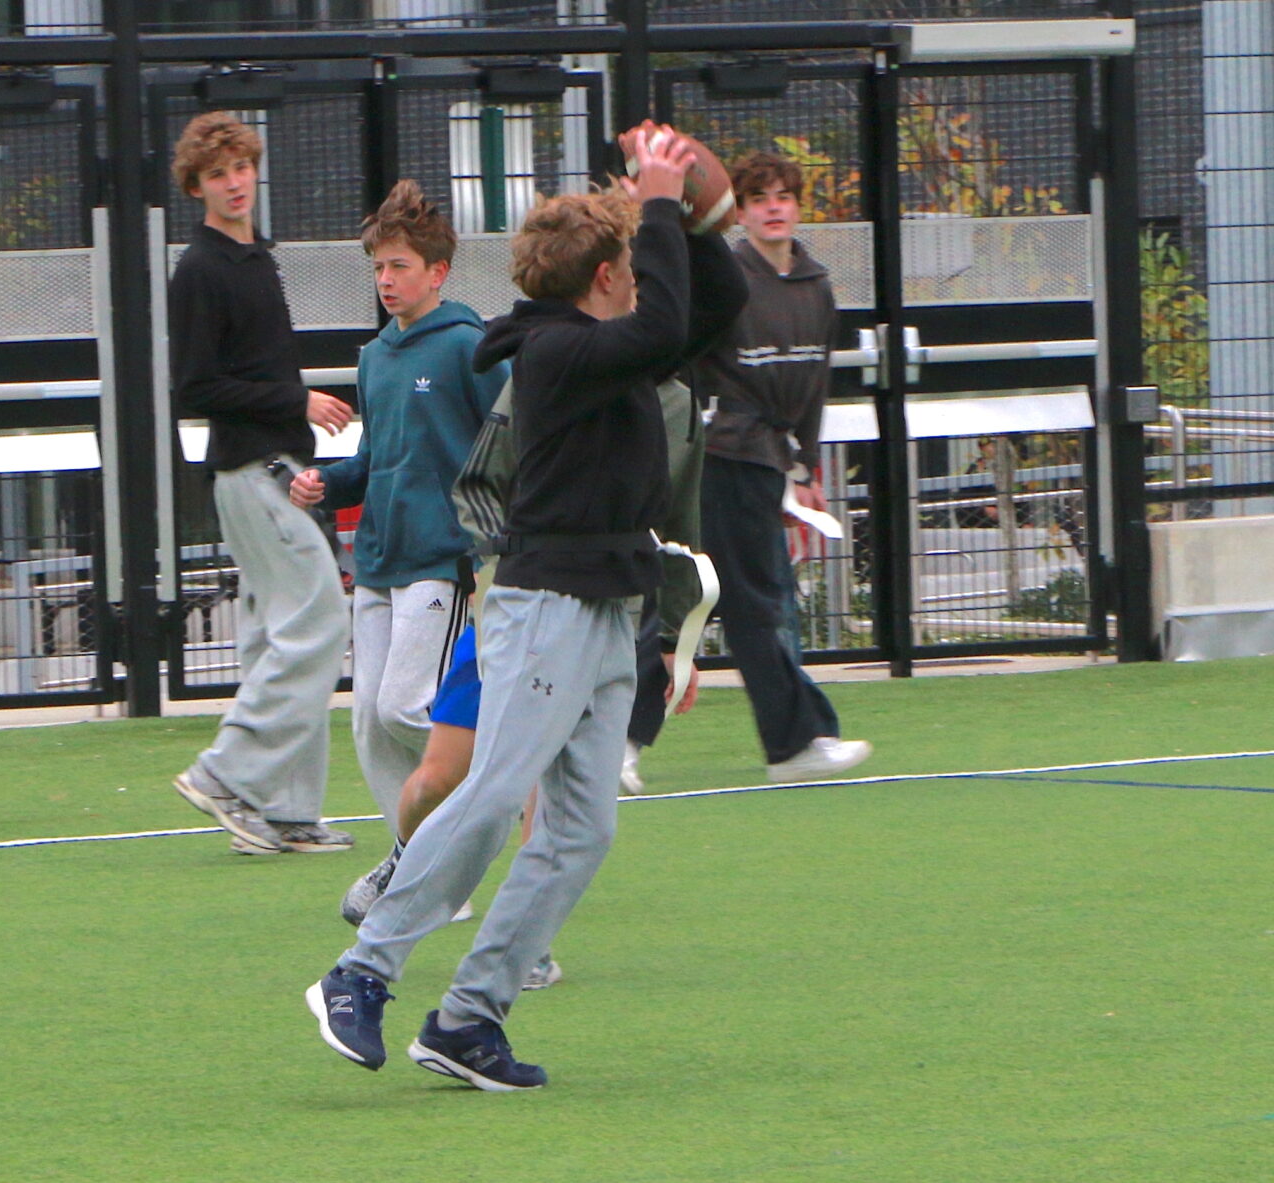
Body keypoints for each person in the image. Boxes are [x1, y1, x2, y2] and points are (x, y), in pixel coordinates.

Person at [310, 127, 746, 1090]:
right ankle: (361, 968)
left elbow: (713, 307)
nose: (641, 280)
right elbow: (667, 325)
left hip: (605, 612)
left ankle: (468, 1018)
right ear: (600, 279)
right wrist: (664, 200)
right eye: (628, 266)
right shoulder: (555, 353)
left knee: (582, 829)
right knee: (496, 791)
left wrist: (699, 225)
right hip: (542, 606)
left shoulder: (609, 348)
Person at [162, 110, 355, 857]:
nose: (235, 182)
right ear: (197, 186)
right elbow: (196, 385)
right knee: (318, 622)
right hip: (252, 471)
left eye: (240, 166)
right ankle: (225, 773)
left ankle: (283, 811)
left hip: (279, 468)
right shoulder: (202, 268)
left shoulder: (255, 257)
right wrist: (294, 402)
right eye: (218, 174)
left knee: (285, 634)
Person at [288, 180, 507, 835]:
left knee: (409, 708)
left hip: (443, 559)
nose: (385, 279)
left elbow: (515, 441)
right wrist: (329, 484)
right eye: (378, 266)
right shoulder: (376, 358)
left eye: (399, 266)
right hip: (380, 559)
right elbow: (380, 461)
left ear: (437, 272)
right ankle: (416, 867)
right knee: (370, 722)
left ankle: (511, 770)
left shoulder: (470, 345)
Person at [691, 150, 873, 783]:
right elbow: (697, 365)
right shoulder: (724, 280)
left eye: (784, 197)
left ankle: (796, 742)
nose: (774, 207)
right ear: (737, 212)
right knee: (744, 602)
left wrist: (804, 470)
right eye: (760, 198)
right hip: (724, 454)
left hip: (768, 459)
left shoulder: (817, 286)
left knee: (732, 601)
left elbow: (813, 386)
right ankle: (800, 741)